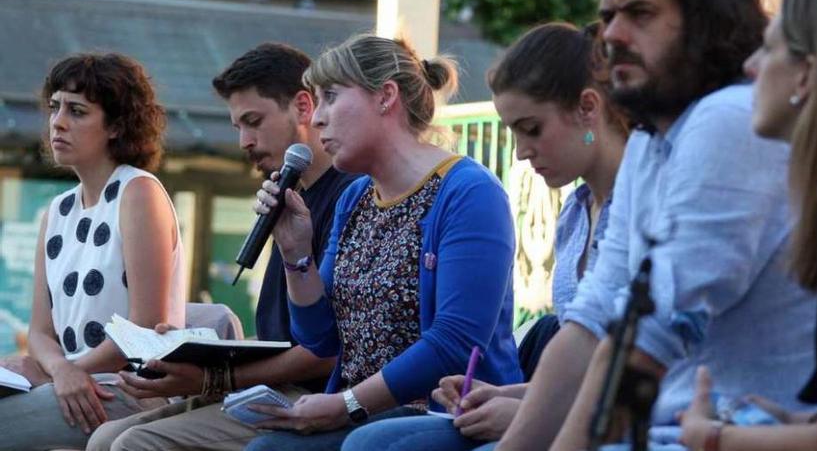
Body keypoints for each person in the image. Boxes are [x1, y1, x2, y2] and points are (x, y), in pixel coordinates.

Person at [496, 0, 817, 450]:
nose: (614, 35)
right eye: (609, 16)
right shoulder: (650, 138)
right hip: (665, 432)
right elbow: (594, 318)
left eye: (640, 14)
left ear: (703, 20)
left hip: (746, 433)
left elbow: (648, 333)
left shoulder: (729, 118)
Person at [340, 22, 630, 451]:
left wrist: (525, 413)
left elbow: (642, 369)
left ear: (588, 108)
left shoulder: (642, 206)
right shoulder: (574, 212)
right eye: (512, 131)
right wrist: (504, 396)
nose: (519, 151)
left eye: (531, 128)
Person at [242, 34, 522, 451]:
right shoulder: (355, 197)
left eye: (331, 97)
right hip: (364, 412)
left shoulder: (468, 192)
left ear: (385, 97)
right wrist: (295, 252)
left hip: (448, 412)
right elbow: (321, 339)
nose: (317, 119)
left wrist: (345, 404)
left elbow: (454, 342)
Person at [87, 42, 358, 451]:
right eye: (237, 128)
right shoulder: (289, 195)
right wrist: (196, 353)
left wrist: (215, 378)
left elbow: (325, 351)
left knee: (133, 444)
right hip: (271, 387)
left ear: (304, 107)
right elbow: (282, 334)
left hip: (313, 395)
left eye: (254, 121)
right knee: (106, 436)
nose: (244, 142)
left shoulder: (347, 196)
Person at [679, 0, 817, 451]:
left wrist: (712, 437)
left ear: (807, 76)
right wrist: (789, 422)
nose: (750, 69)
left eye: (767, 50)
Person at [0, 52, 186, 450]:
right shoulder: (57, 211)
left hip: (130, 388)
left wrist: (63, 372)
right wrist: (58, 370)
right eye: (55, 107)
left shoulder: (138, 192)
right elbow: (39, 331)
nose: (58, 122)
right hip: (74, 381)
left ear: (117, 126)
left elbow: (143, 327)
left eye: (77, 111)